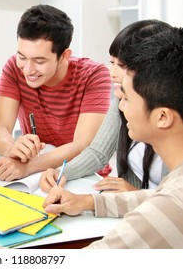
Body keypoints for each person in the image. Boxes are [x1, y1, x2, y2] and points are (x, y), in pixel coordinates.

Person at [0, 26, 183, 249]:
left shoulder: (171, 205)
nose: (119, 105)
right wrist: (88, 202)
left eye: (126, 97)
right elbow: (158, 198)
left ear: (162, 117)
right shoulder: (172, 194)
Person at [40, 20, 171, 193]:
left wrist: (134, 194)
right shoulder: (122, 99)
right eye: (112, 63)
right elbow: (97, 153)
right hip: (135, 207)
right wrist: (62, 172)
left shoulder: (170, 114)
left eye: (122, 66)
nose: (112, 73)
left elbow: (176, 200)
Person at [0, 4, 111, 182]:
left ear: (64, 56)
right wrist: (11, 149)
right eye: (22, 57)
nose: (28, 69)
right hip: (34, 173)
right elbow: (1, 129)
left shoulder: (94, 75)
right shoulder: (14, 67)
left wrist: (27, 167)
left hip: (82, 174)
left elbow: (83, 146)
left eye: (39, 61)